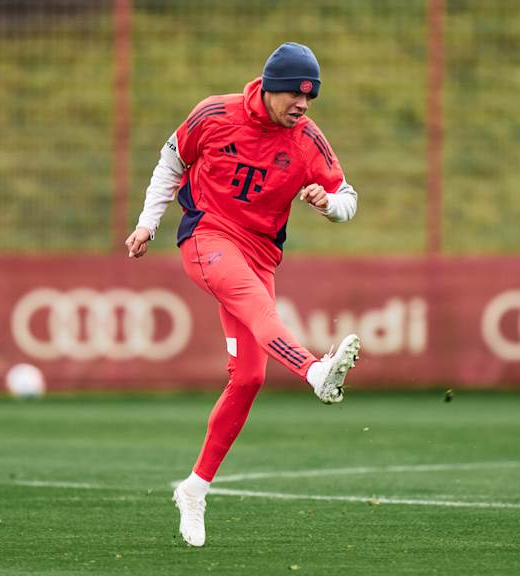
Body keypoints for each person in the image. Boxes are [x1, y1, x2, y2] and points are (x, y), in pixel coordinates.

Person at [124, 42, 361, 547]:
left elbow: (348, 197)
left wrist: (328, 204)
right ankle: (317, 373)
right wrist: (147, 224)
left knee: (250, 376)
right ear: (269, 87)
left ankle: (194, 488)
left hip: (260, 254)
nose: (303, 105)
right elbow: (170, 164)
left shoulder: (307, 140)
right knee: (259, 309)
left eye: (310, 98)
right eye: (296, 95)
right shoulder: (214, 114)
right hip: (206, 237)